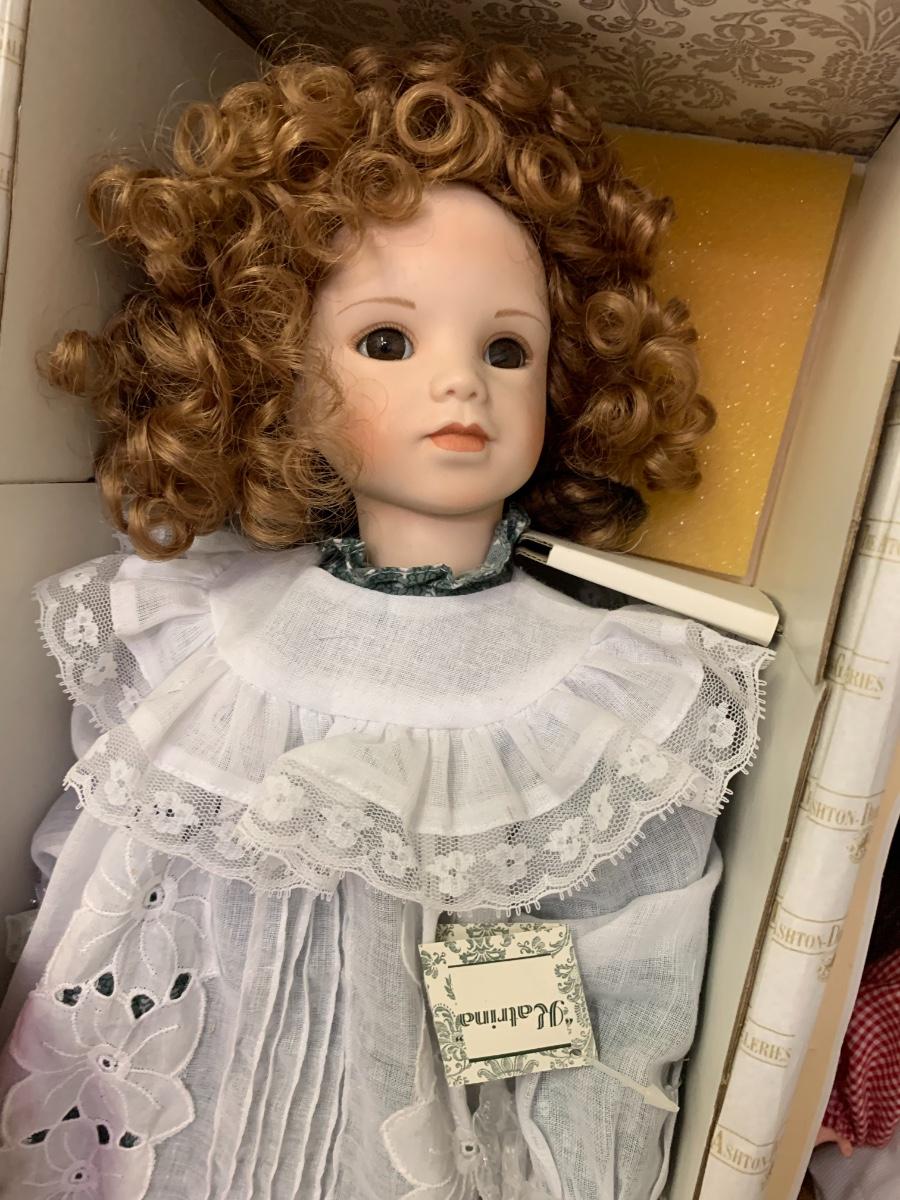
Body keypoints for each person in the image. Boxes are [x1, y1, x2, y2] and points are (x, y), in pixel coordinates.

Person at [0, 40, 770, 1199]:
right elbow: (92, 880)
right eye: (387, 342)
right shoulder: (197, 632)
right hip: (154, 1120)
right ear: (277, 365)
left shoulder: (582, 697)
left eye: (506, 348)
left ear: (567, 377)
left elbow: (594, 998)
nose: (461, 383)